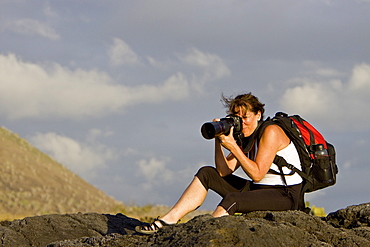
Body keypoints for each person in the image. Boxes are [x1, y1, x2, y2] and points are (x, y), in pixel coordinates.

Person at [135, 92, 303, 235]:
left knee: (232, 199)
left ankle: (207, 237)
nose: (242, 122)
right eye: (238, 118)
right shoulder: (246, 137)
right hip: (259, 190)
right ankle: (168, 221)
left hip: (285, 195)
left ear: (258, 114)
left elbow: (257, 174)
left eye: (246, 117)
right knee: (207, 173)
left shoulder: (270, 131)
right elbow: (223, 171)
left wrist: (233, 146)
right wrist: (219, 139)